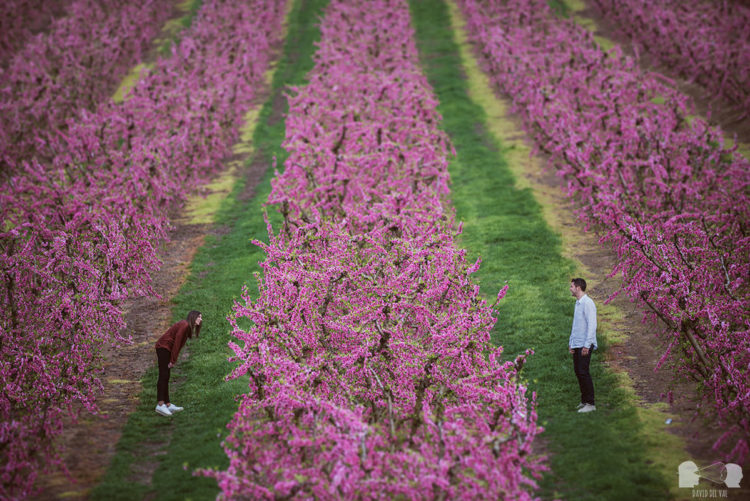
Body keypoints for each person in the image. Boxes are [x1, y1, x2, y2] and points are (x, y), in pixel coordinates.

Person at [154, 310, 202, 417]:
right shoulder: (185, 325)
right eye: (199, 317)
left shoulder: (187, 327)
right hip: (163, 347)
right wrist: (173, 360)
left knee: (166, 376)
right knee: (163, 375)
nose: (201, 319)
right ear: (193, 317)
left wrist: (172, 359)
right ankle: (160, 404)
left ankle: (167, 404)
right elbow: (176, 343)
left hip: (166, 349)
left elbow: (178, 345)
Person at [568, 278, 597, 413]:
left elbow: (592, 325)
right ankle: (584, 401)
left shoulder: (588, 303)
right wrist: (571, 344)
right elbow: (576, 326)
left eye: (572, 286)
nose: (570, 288)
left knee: (583, 372)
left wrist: (587, 345)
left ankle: (590, 404)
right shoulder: (578, 303)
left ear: (578, 287)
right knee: (578, 372)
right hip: (577, 344)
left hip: (585, 344)